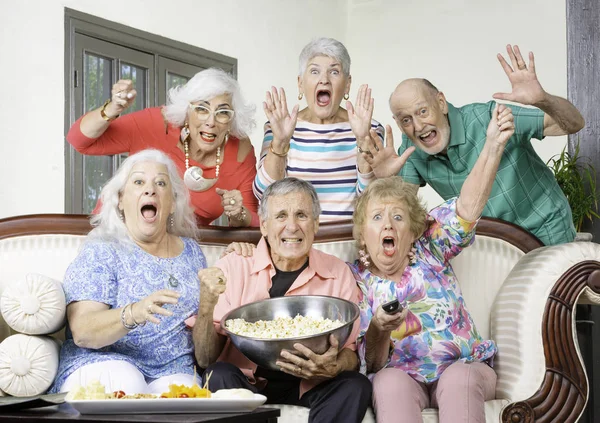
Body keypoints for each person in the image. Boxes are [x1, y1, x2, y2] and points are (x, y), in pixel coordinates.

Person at [351, 104, 516, 422]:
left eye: (398, 216)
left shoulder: (430, 248)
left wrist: (493, 145)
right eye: (376, 217)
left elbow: (468, 207)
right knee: (387, 380)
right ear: (362, 236)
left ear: (413, 231)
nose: (388, 225)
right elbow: (371, 364)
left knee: (458, 378)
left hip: (464, 369)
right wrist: (378, 330)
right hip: (399, 375)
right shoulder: (352, 280)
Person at [191, 177, 372, 423]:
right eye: (281, 216)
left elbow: (351, 353)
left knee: (355, 384)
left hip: (310, 384)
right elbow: (204, 358)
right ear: (264, 225)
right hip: (246, 383)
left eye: (301, 215)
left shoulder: (337, 272)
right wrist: (206, 302)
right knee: (218, 374)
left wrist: (335, 366)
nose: (292, 226)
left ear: (316, 223)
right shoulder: (233, 266)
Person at [368, 44, 585, 245]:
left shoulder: (487, 117)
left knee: (553, 288)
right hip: (493, 244)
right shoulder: (411, 149)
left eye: (422, 111)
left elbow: (574, 124)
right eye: (406, 119)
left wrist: (542, 99)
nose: (417, 126)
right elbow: (401, 209)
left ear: (441, 103)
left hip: (544, 228)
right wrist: (384, 177)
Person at [50, 149, 216, 394]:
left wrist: (209, 305)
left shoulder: (193, 253)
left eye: (161, 183)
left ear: (172, 203)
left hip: (174, 370)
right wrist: (135, 312)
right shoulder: (102, 249)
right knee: (127, 382)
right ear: (120, 199)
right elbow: (83, 332)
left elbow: (205, 358)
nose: (150, 190)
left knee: (184, 395)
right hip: (103, 362)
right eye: (138, 182)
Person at [67, 68, 259, 227]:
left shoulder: (240, 154)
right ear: (186, 111)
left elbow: (254, 223)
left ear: (232, 119)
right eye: (201, 109)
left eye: (223, 112)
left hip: (175, 252)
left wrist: (238, 213)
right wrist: (112, 108)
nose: (211, 121)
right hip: (117, 236)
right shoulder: (157, 124)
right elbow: (79, 141)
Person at [254, 37, 409, 222]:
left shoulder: (369, 128)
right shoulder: (279, 127)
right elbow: (264, 195)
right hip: (294, 240)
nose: (324, 80)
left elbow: (370, 201)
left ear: (347, 84)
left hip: (349, 242)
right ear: (300, 83)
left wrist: (362, 141)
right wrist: (280, 142)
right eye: (314, 71)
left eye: (334, 72)